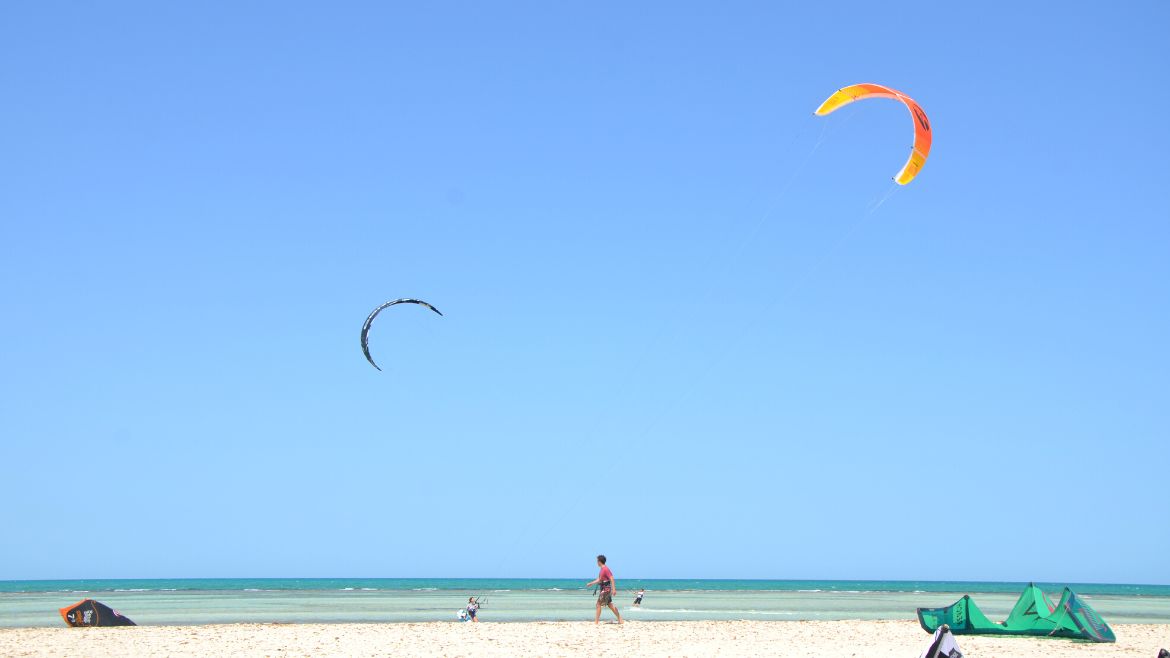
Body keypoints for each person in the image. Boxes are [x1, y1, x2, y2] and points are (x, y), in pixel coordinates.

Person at [585, 554, 623, 624]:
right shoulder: (602, 569)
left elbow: (611, 578)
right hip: (605, 589)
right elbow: (599, 579)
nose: (596, 562)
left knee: (598, 604)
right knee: (610, 605)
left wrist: (614, 589)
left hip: (606, 589)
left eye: (597, 561)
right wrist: (591, 583)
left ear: (599, 561)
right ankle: (620, 619)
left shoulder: (605, 569)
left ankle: (596, 622)